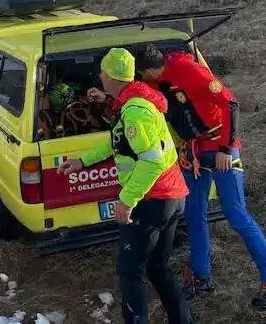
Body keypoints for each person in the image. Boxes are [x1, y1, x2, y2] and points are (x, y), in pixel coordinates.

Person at [135, 44, 266, 309]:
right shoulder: (155, 82)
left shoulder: (189, 70)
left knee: (236, 214)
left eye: (141, 75)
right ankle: (201, 276)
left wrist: (226, 149)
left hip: (221, 146)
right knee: (193, 214)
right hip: (195, 152)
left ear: (147, 70)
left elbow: (230, 103)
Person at [61, 48, 191, 324]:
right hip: (169, 195)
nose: (99, 76)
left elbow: (152, 161)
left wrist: (128, 199)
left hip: (152, 199)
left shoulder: (135, 111)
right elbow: (117, 141)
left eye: (102, 72)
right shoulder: (133, 99)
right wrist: (82, 161)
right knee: (157, 268)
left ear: (110, 76)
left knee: (130, 271)